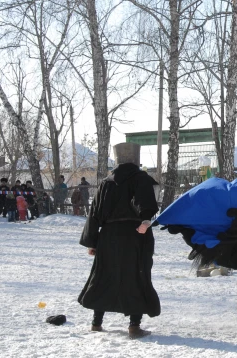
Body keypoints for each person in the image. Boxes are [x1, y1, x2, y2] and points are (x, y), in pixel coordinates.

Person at [78, 142, 160, 339]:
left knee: (104, 275)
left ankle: (96, 323)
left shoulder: (107, 182)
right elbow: (145, 202)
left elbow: (94, 212)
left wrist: (92, 241)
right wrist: (146, 219)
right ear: (136, 159)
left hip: (108, 236)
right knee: (136, 275)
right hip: (135, 234)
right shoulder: (141, 178)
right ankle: (134, 325)